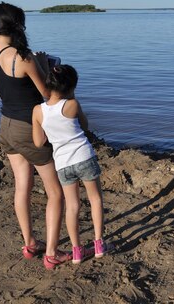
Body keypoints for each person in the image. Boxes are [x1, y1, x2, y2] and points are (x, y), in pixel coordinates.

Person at [0, 2, 69, 270]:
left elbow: (3, 93)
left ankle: (30, 242)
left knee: (22, 186)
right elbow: (47, 93)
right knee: (55, 192)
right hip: (28, 127)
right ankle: (52, 252)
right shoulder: (24, 57)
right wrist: (44, 64)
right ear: (18, 25)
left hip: (5, 126)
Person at [32, 64, 112, 264]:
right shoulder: (72, 105)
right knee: (95, 199)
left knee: (72, 205)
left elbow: (38, 141)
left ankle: (77, 251)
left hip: (62, 164)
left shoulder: (37, 111)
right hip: (84, 157)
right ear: (71, 87)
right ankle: (99, 244)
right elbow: (84, 125)